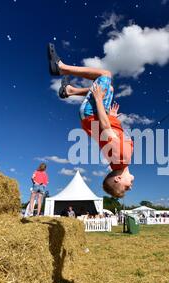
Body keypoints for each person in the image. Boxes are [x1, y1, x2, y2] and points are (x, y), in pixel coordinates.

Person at [47, 43, 134, 198]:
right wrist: (113, 116)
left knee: (105, 75)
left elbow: (106, 129)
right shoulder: (118, 164)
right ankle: (70, 91)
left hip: (92, 114)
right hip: (101, 116)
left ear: (118, 179)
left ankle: (61, 68)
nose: (130, 187)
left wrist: (99, 100)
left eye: (126, 188)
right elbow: (113, 133)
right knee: (110, 89)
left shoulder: (122, 158)